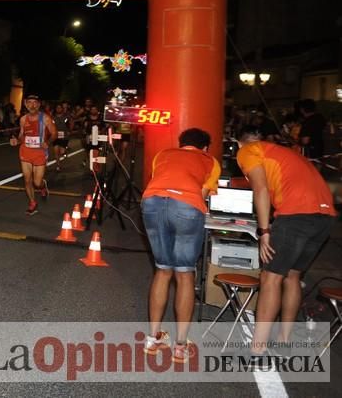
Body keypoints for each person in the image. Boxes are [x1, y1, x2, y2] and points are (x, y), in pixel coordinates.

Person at [235, 126, 336, 359]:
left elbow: (260, 189)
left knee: (270, 277)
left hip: (296, 215)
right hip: (325, 216)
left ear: (239, 143)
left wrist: (264, 231)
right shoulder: (282, 152)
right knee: (292, 276)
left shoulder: (248, 150)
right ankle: (284, 341)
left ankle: (257, 348)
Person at [141, 128, 220, 363]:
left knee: (163, 270)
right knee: (185, 274)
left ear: (181, 143)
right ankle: (180, 346)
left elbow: (159, 180)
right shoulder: (210, 161)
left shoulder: (163, 154)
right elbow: (202, 193)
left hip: (152, 202)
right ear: (205, 147)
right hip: (186, 206)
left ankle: (152, 339)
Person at [9, 94, 56, 215]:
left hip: (40, 153)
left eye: (35, 103)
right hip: (25, 151)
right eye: (29, 102)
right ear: (25, 104)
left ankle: (42, 186)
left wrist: (48, 142)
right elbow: (21, 135)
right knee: (27, 180)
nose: (32, 105)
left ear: (39, 104)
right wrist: (17, 141)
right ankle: (32, 202)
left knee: (37, 182)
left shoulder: (45, 118)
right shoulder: (23, 119)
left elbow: (54, 133)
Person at [51, 102, 71, 171]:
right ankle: (58, 165)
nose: (58, 109)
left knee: (62, 151)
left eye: (60, 108)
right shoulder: (53, 117)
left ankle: (65, 151)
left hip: (64, 136)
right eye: (57, 108)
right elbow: (50, 126)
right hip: (55, 136)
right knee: (56, 150)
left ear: (62, 109)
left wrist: (69, 131)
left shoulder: (66, 117)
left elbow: (71, 123)